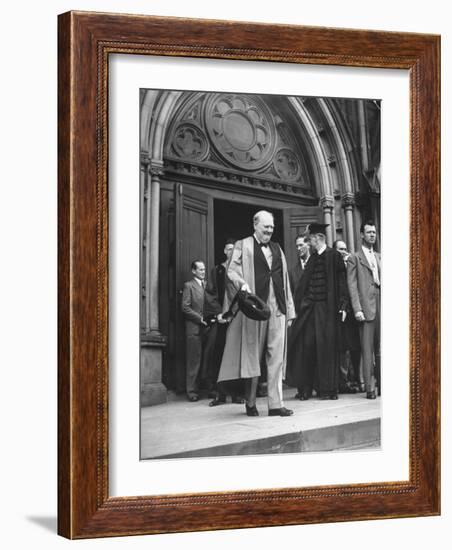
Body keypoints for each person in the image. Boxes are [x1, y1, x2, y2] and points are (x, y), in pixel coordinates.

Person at [217, 210, 296, 417]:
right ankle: (250, 402)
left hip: (277, 309)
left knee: (276, 357)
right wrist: (242, 284)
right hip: (255, 309)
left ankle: (275, 404)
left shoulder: (278, 248)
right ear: (255, 225)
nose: (269, 231)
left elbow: (285, 279)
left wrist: (290, 310)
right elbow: (232, 270)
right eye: (265, 227)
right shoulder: (242, 245)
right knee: (252, 357)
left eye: (271, 227)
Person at [288, 223, 348, 400]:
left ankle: (327, 389)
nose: (309, 242)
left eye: (310, 239)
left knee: (326, 350)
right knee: (307, 347)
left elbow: (342, 283)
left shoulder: (334, 256)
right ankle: (305, 388)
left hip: (328, 311)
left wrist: (344, 306)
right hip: (310, 311)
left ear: (318, 238)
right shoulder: (313, 258)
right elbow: (303, 286)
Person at [205, 239, 245, 406]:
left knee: (236, 356)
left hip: (237, 317)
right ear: (224, 251)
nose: (231, 252)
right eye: (229, 249)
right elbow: (210, 294)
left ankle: (236, 395)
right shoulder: (218, 271)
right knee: (220, 356)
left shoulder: (241, 271)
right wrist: (220, 313)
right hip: (222, 319)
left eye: (234, 249)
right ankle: (220, 395)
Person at [346, 220, 381, 399]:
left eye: (374, 232)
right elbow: (352, 286)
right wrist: (357, 308)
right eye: (368, 232)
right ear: (361, 235)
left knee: (382, 348)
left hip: (381, 303)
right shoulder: (355, 258)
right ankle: (370, 388)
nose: (372, 235)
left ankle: (383, 385)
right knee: (367, 349)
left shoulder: (379, 256)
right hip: (366, 307)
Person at [181, 260, 224, 402]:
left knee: (208, 359)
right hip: (195, 329)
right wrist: (200, 319)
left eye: (204, 269)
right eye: (200, 270)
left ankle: (209, 389)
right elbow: (185, 307)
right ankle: (192, 391)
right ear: (193, 271)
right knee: (194, 361)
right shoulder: (189, 286)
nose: (203, 272)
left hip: (209, 328)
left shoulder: (208, 285)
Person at [333, 239, 362, 393]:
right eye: (340, 249)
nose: (343, 252)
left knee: (356, 348)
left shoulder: (352, 263)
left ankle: (356, 379)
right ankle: (343, 382)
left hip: (355, 313)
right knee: (342, 349)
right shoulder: (334, 267)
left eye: (345, 249)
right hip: (341, 313)